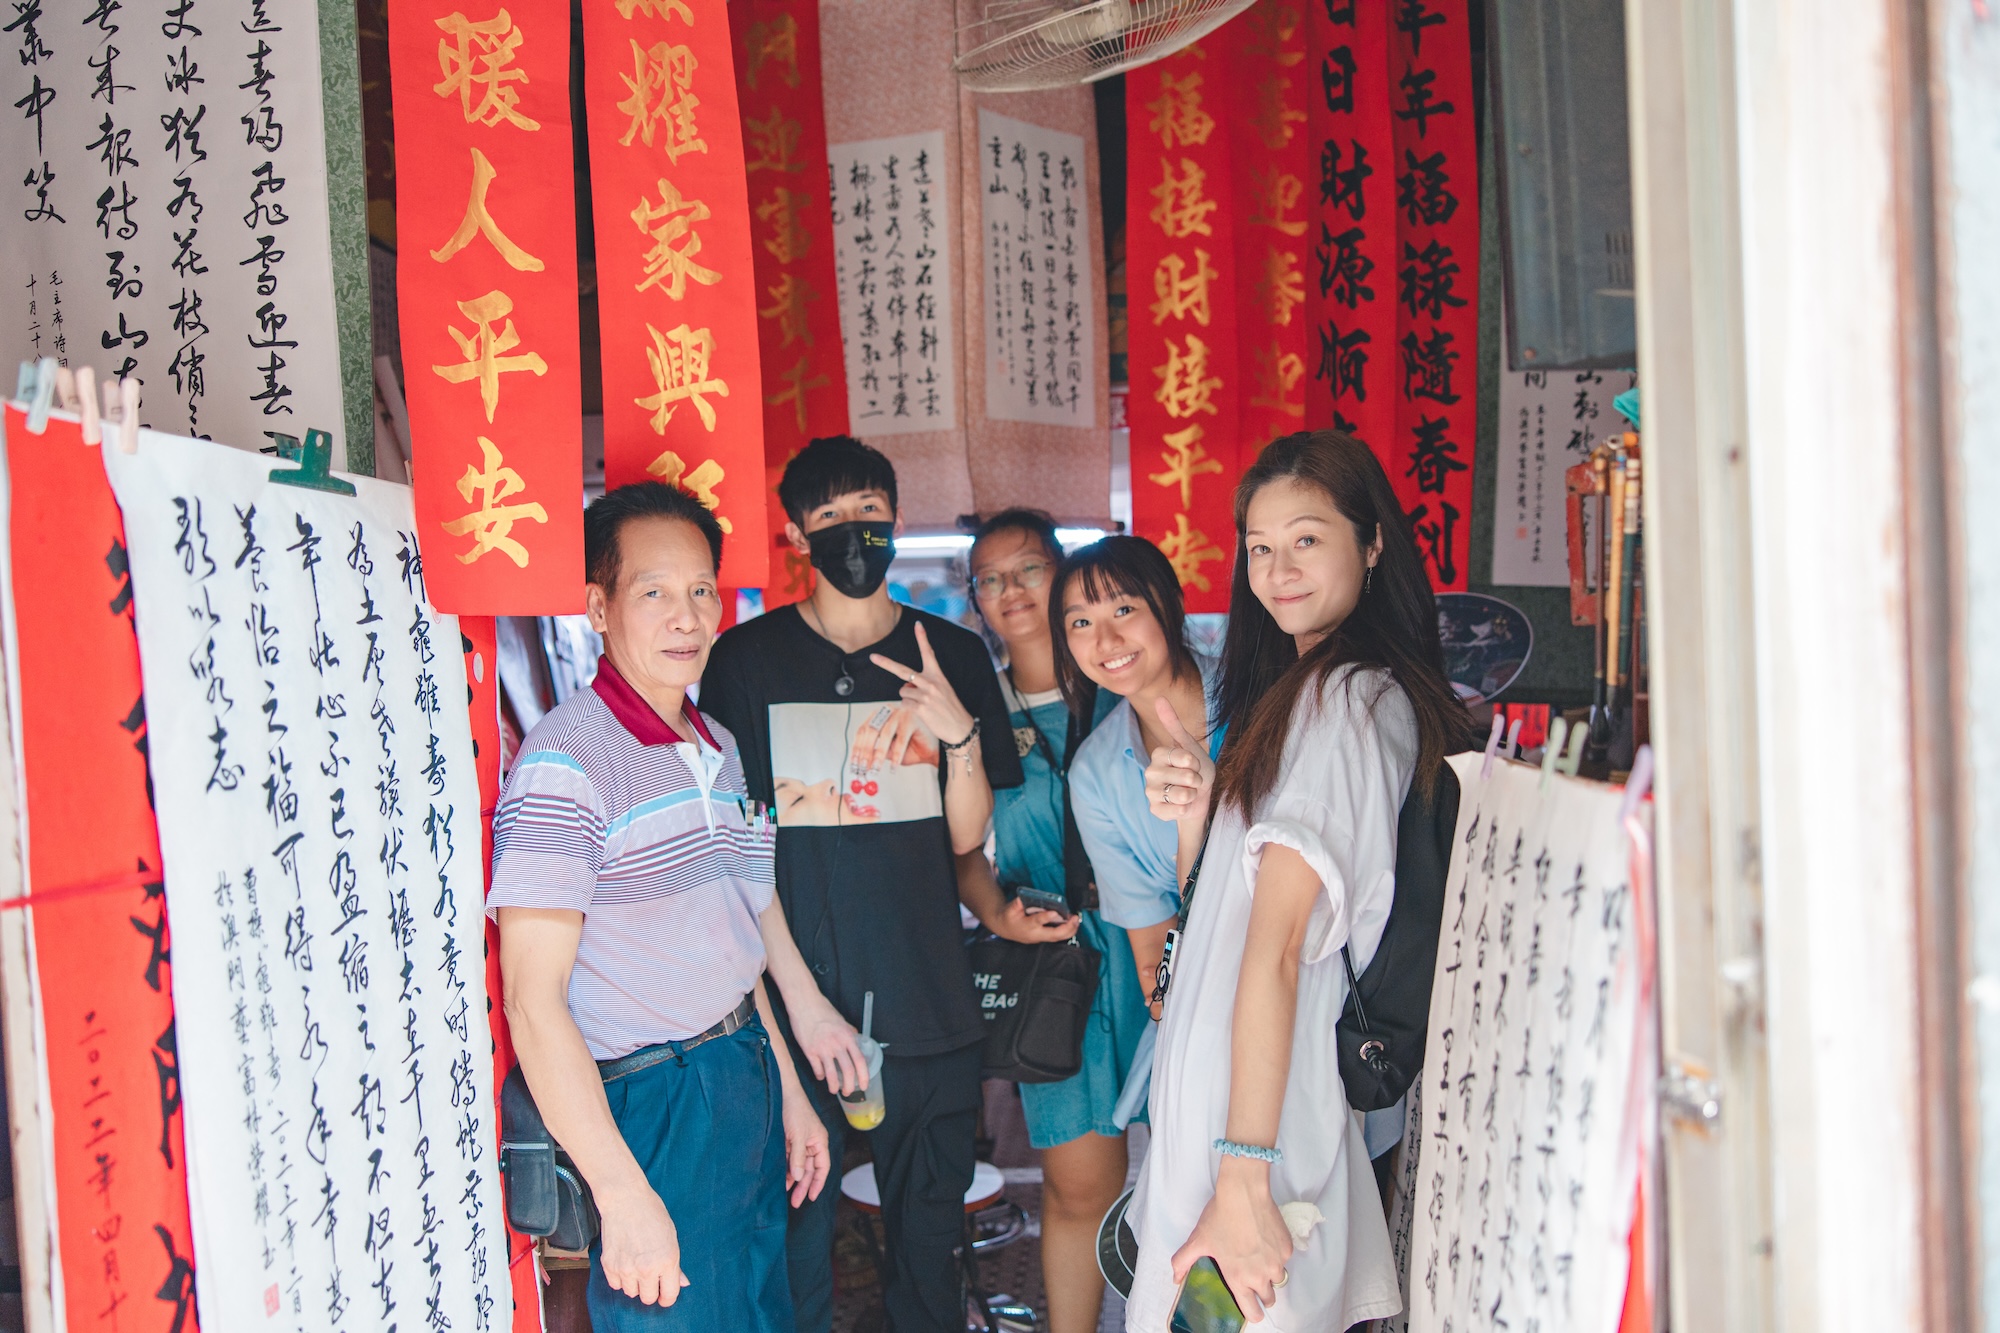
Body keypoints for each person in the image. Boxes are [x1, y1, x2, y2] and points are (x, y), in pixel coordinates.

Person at [1126, 431, 1477, 1331]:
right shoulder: (1308, 692)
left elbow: (1280, 948)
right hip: (1242, 1101)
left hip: (1252, 1125)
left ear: (1372, 542)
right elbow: (1237, 916)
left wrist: (1243, 1173)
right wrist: (1202, 818)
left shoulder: (1347, 698)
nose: (1277, 569)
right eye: (1259, 547)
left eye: (1308, 539)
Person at [491, 482, 863, 1332]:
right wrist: (622, 1194)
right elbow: (531, 1000)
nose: (686, 615)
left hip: (742, 1067)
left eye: (701, 590)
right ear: (598, 605)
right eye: (654, 592)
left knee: (763, 1311)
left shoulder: (715, 745)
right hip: (655, 1098)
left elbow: (738, 938)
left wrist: (793, 1098)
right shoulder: (568, 760)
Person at [698, 436, 1024, 1333]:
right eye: (831, 518)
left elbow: (967, 840)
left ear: (896, 523)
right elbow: (734, 853)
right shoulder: (745, 662)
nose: (853, 534)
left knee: (927, 1256)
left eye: (869, 516)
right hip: (797, 1016)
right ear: (797, 532)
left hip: (927, 1002)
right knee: (798, 1253)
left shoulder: (951, 653)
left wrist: (955, 734)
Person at [956, 511, 1152, 1333]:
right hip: (1055, 964)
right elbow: (962, 848)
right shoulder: (974, 708)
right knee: (1079, 1190)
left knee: (1196, 1169)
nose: (1011, 591)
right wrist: (995, 908)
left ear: (1062, 571)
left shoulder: (1131, 677)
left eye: (1028, 569)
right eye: (990, 579)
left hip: (1159, 949)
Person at [1055, 536, 1217, 1021]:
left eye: (1123, 609)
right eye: (1081, 622)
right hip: (1202, 1007)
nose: (1105, 641)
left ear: (1170, 603)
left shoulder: (1266, 697)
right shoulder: (1094, 774)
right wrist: (1174, 1008)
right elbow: (1153, 949)